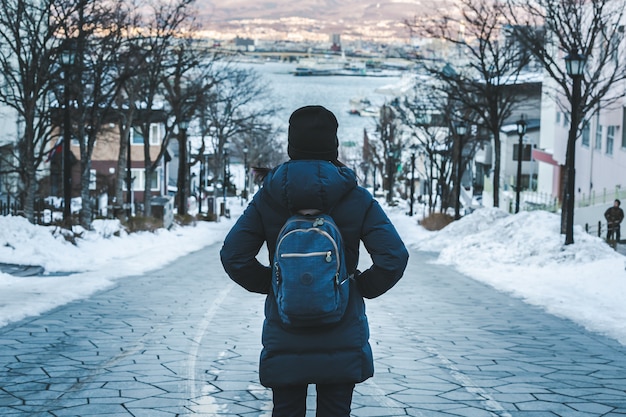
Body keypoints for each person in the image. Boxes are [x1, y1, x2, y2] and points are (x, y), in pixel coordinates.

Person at [220, 105, 409, 417]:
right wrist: (357, 288)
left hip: (286, 329)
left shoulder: (269, 195)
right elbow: (393, 257)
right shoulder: (355, 195)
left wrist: (275, 284)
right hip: (342, 328)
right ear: (333, 144)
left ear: (291, 145)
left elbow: (233, 255)